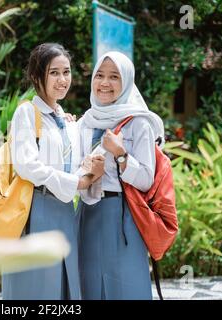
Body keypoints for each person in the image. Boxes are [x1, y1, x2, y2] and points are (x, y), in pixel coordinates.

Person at [2, 43, 105, 300]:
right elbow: (27, 165)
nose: (62, 80)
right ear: (38, 76)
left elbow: (72, 162)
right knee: (38, 286)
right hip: (36, 209)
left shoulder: (63, 119)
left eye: (66, 72)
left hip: (63, 210)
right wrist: (75, 182)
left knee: (63, 286)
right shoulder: (27, 112)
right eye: (54, 73)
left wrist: (88, 170)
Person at [77, 51, 165, 300]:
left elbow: (147, 178)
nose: (105, 83)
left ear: (126, 82)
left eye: (114, 77)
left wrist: (121, 154)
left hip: (123, 215)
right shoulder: (86, 121)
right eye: (100, 75)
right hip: (87, 213)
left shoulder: (139, 123)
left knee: (125, 287)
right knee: (88, 285)